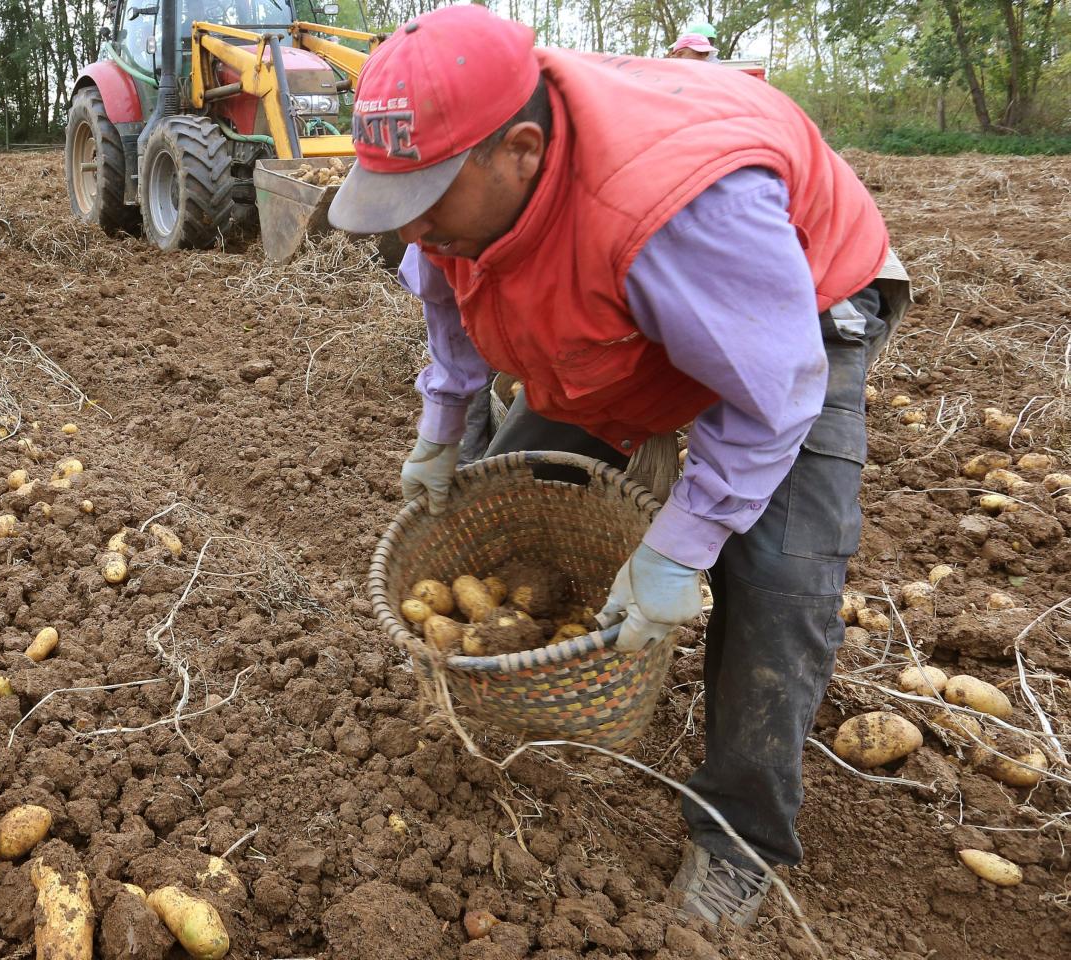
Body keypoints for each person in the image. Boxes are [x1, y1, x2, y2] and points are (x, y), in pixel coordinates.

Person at [331, 7, 909, 928]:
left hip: (798, 312)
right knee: (514, 496)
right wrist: (443, 423)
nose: (416, 223)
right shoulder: (449, 204)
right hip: (623, 315)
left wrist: (683, 544)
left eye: (428, 200)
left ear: (520, 151)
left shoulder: (676, 208)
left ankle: (739, 838)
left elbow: (774, 390)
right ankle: (529, 711)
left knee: (776, 583)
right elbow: (448, 295)